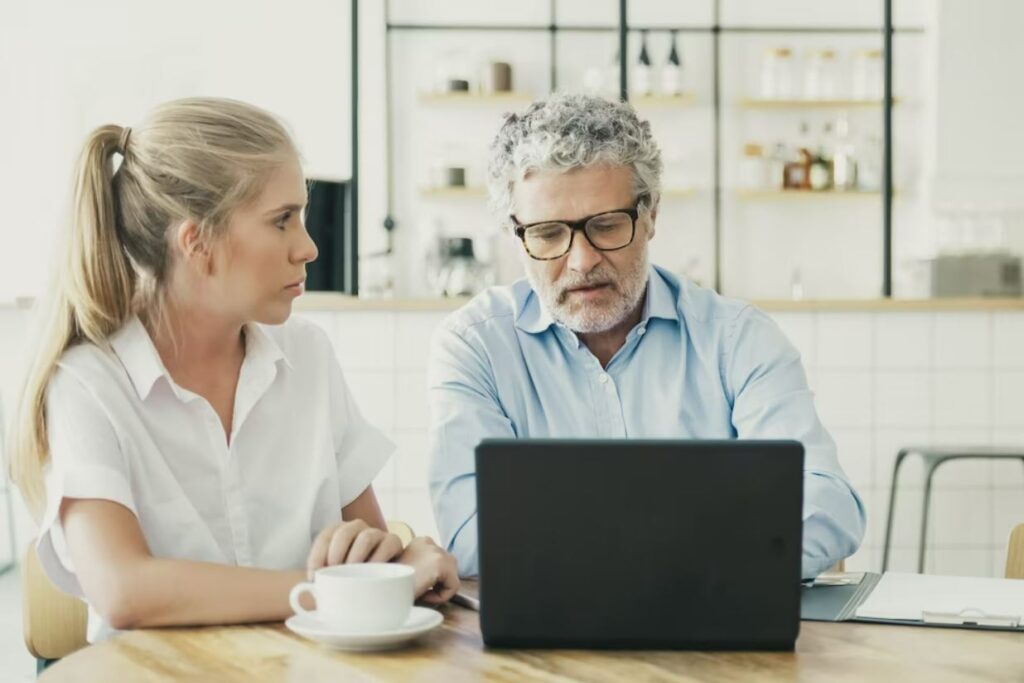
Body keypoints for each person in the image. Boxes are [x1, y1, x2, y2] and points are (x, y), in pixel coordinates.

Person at [7, 97, 457, 642]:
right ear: (197, 242)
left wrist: (400, 557)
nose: (309, 247)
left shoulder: (309, 357)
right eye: (282, 220)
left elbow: (370, 548)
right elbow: (124, 591)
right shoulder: (87, 385)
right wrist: (335, 590)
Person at [428, 93, 865, 580]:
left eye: (607, 226)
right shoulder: (476, 346)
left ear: (651, 214)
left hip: (710, 637)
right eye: (549, 234)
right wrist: (701, 543)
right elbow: (469, 535)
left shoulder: (739, 341)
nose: (581, 261)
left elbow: (827, 502)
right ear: (517, 237)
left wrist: (595, 547)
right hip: (545, 642)